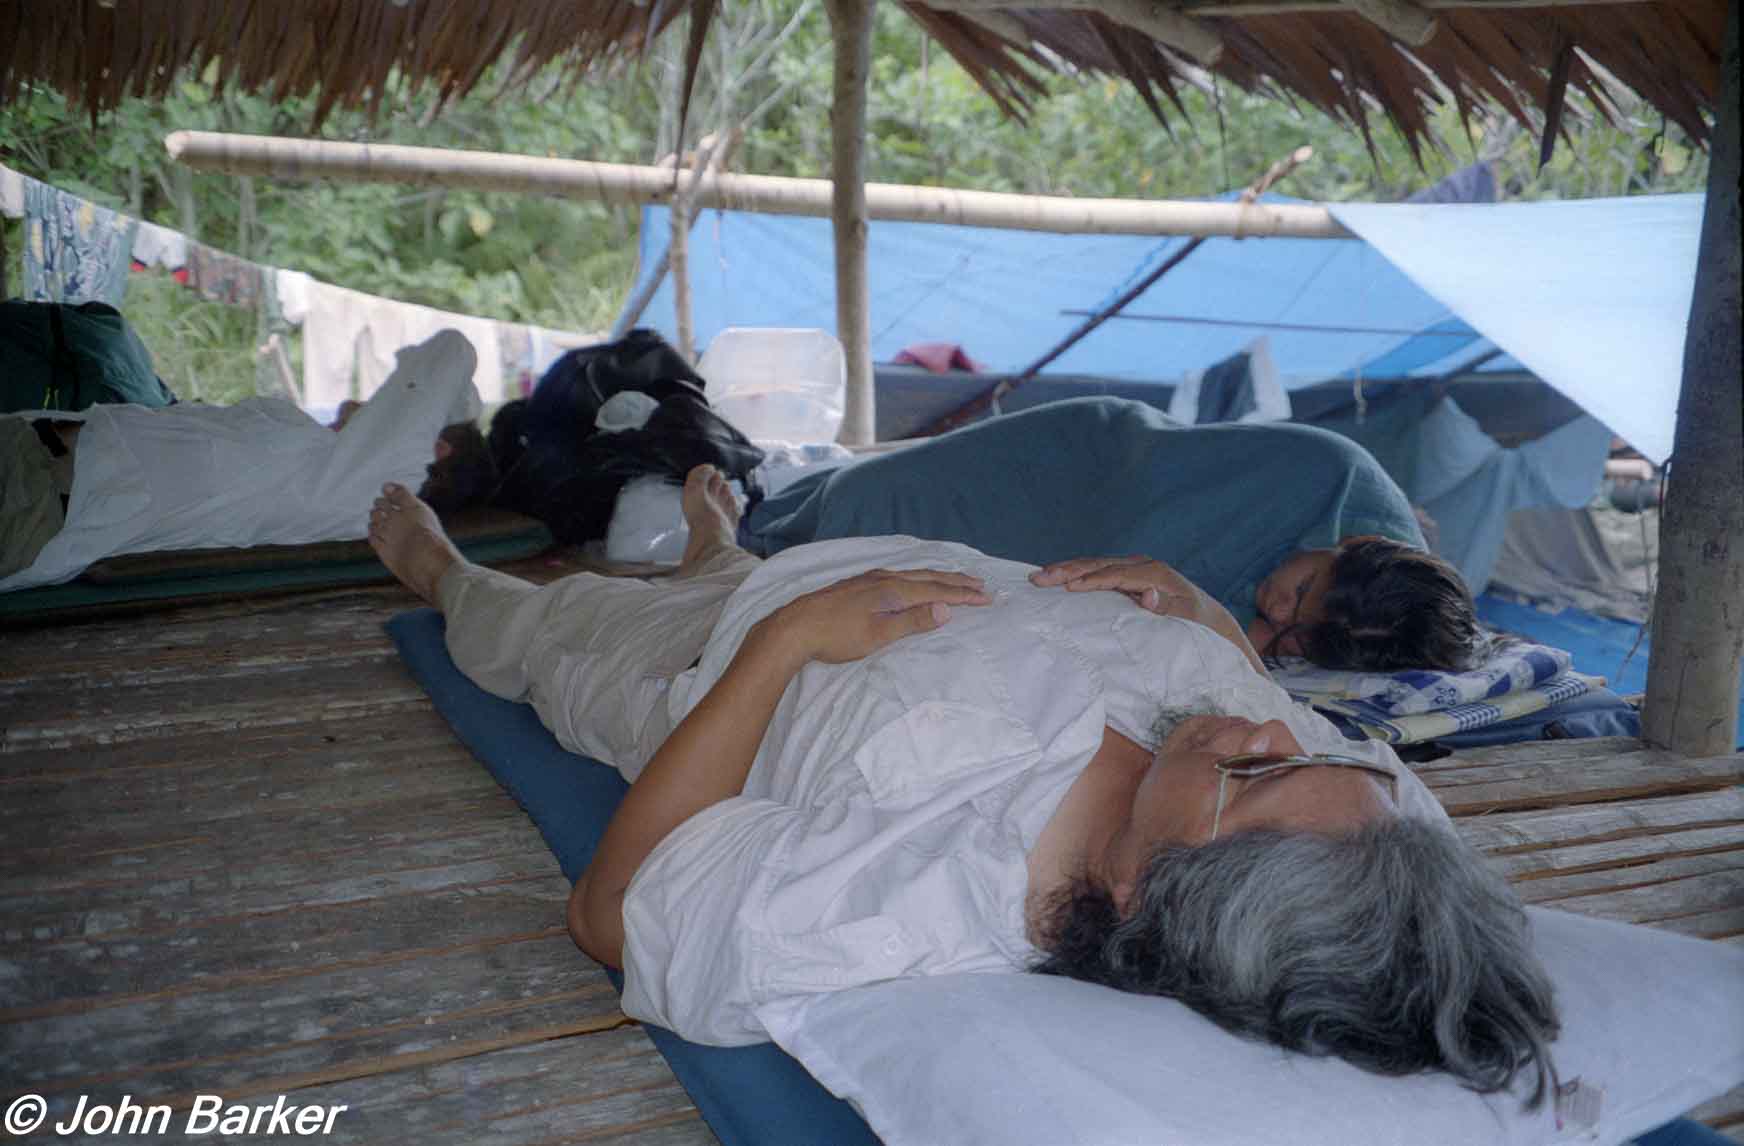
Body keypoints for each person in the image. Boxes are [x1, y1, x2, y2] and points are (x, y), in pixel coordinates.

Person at [368, 462, 1561, 1106]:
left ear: (1148, 890)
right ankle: (719, 549)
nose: (1267, 727)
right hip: (889, 572)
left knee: (538, 632)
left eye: (1255, 776)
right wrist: (1203, 619)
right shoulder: (1361, 829)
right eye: (1310, 749)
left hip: (706, 668)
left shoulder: (906, 896)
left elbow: (608, 917)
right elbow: (1330, 774)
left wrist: (779, 651)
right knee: (735, 567)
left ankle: (445, 569)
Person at [746, 396, 1486, 672]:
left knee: (888, 569)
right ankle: (768, 520)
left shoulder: (1378, 628)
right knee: (871, 496)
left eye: (1295, 635)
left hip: (1068, 537)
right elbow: (1153, 513)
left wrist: (1256, 634)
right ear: (1347, 543)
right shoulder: (1324, 470)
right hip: (1089, 463)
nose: (1275, 609)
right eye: (1298, 590)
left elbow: (1231, 640)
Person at [0, 328, 495, 590]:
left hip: (35, 505)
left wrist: (457, 416)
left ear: (432, 446)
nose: (384, 396)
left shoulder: (364, 496)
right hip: (29, 446)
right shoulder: (317, 447)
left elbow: (451, 350)